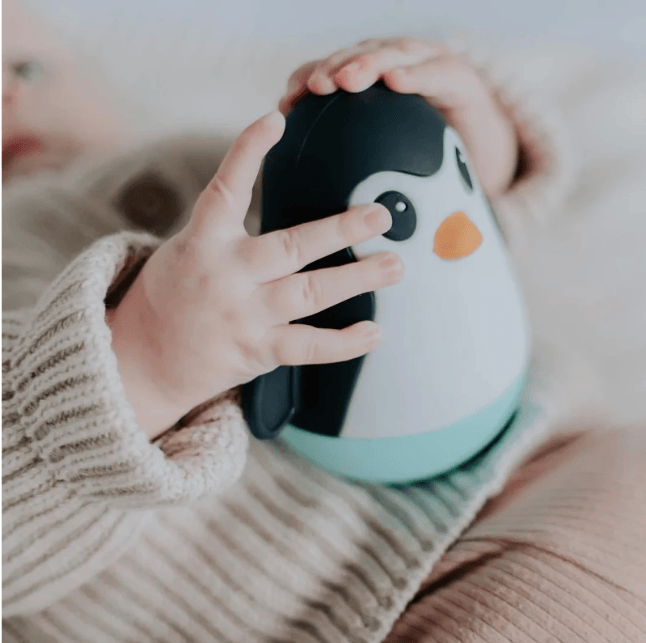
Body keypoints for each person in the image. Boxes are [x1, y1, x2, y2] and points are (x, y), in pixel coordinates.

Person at [4, 2, 645, 641]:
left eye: (28, 68)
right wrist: (145, 368)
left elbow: (456, 259)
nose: (7, 96)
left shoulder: (213, 161)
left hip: (557, 471)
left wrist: (469, 145)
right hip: (379, 612)